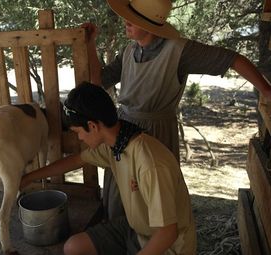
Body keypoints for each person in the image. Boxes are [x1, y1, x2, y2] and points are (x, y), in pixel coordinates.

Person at [82, 0, 271, 219]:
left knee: (153, 203)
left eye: (133, 18)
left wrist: (266, 90)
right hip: (122, 131)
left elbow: (232, 59)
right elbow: (98, 81)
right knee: (120, 198)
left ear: (150, 23)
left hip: (156, 134)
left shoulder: (180, 50)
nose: (126, 21)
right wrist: (90, 44)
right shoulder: (128, 51)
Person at [21, 82, 196, 255]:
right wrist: (29, 178)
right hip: (135, 230)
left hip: (168, 247)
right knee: (73, 247)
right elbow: (75, 161)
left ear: (92, 126)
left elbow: (168, 233)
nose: (80, 138)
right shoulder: (116, 144)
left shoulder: (150, 162)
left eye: (78, 132)